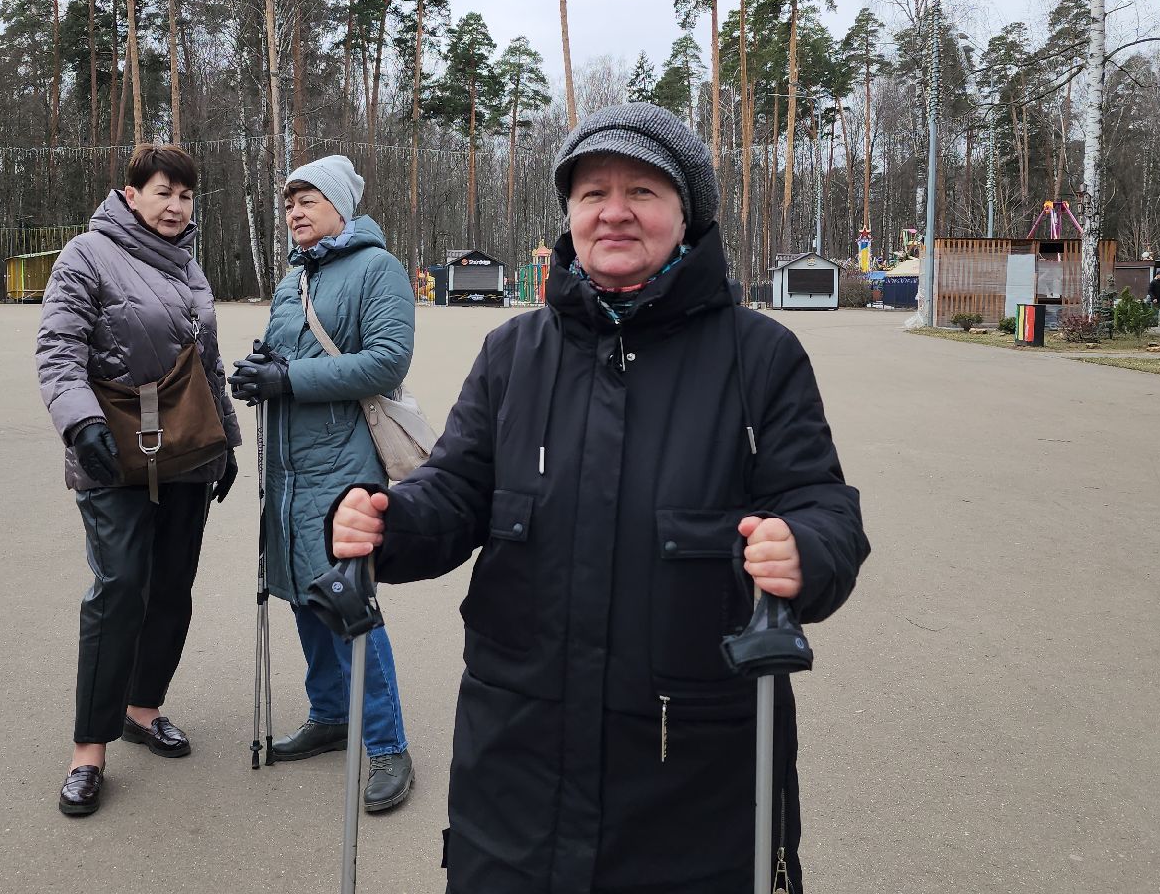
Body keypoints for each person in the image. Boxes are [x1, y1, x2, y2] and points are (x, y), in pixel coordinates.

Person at [330, 102, 869, 892]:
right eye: (592, 193)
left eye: (642, 191)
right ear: (569, 217)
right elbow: (456, 490)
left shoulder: (760, 358)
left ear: (687, 216)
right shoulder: (514, 353)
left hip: (693, 776)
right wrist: (385, 521)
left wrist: (806, 550)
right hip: (517, 764)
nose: (614, 212)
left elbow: (824, 507)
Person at [35, 143, 243, 817]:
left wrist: (226, 445)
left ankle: (142, 708)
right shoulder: (85, 255)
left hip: (186, 454)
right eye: (163, 192)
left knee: (172, 588)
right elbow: (58, 349)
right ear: (131, 196)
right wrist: (78, 423)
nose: (175, 206)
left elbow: (208, 366)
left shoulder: (190, 269)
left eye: (185, 196)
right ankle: (88, 749)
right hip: (111, 452)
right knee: (120, 588)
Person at [228, 154, 418, 812]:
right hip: (287, 468)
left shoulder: (378, 270)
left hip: (343, 467)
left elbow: (386, 361)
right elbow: (290, 351)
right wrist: (262, 367)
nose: (295, 211)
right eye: (288, 202)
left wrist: (290, 380)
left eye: (308, 199)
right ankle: (331, 715)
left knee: (349, 603)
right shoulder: (293, 278)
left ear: (342, 205)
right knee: (302, 594)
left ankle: (389, 745)